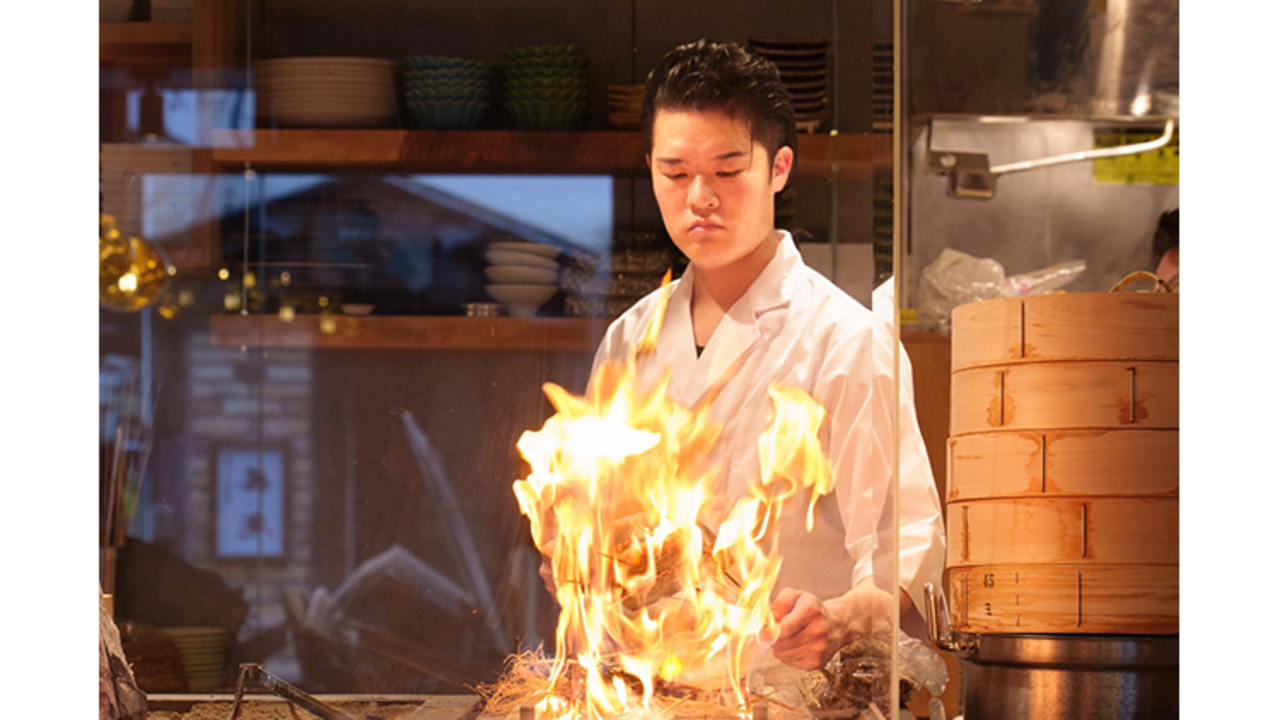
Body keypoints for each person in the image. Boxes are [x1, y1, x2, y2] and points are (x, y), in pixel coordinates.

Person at [545, 39, 945, 673]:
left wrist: (837, 619)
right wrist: (578, 557)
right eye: (674, 173)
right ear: (649, 166)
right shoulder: (629, 338)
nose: (699, 196)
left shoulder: (847, 341)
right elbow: (601, 524)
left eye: (727, 170)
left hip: (794, 700)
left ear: (779, 167)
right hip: (648, 697)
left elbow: (907, 553)